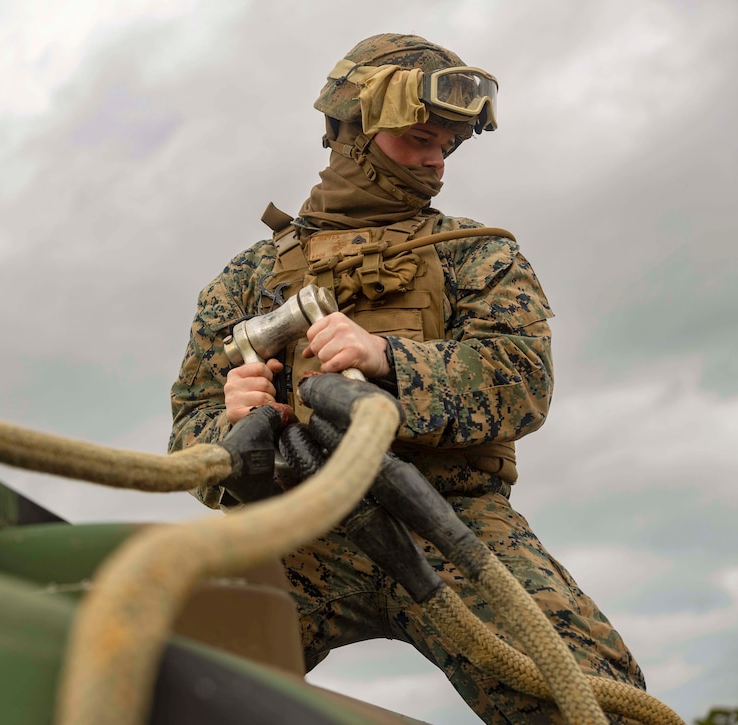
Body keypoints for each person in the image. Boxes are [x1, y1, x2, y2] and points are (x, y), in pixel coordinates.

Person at [168, 33, 647, 723]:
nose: (434, 162)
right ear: (352, 132)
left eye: (446, 146)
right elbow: (186, 433)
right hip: (295, 536)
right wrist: (230, 421)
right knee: (134, 670)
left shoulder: (477, 253)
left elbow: (522, 377)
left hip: (451, 522)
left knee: (600, 708)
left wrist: (387, 359)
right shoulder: (248, 278)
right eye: (420, 138)